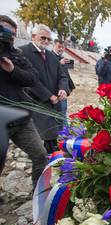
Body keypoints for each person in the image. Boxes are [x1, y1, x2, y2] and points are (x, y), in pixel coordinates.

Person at [0, 15, 48, 187]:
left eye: (12, 34)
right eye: (4, 31)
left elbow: (33, 78)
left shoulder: (17, 55)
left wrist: (13, 70)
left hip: (21, 120)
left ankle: (38, 193)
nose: (8, 37)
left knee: (40, 155)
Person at [20, 24, 69, 153]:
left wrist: (63, 88)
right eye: (43, 38)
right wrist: (48, 95)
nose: (46, 41)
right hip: (36, 102)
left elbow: (62, 75)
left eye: (48, 39)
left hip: (55, 102)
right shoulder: (23, 52)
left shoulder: (52, 56)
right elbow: (29, 80)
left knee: (54, 134)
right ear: (33, 36)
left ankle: (52, 160)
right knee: (43, 134)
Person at [52, 39, 75, 124]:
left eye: (63, 47)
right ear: (53, 46)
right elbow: (50, 72)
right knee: (61, 113)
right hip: (56, 90)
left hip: (63, 89)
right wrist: (59, 64)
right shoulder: (50, 56)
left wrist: (70, 87)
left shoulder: (62, 58)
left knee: (63, 111)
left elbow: (65, 75)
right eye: (59, 47)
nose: (61, 49)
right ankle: (64, 133)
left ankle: (64, 131)